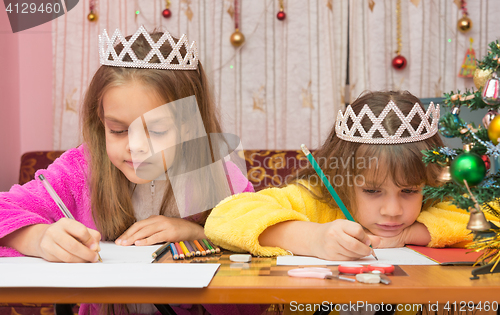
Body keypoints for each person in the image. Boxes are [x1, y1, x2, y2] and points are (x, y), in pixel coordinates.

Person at [0, 26, 267, 315]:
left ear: (189, 126)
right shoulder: (80, 170)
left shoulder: (219, 177)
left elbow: (257, 279)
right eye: (117, 130)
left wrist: (198, 235)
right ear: (100, 120)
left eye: (156, 130)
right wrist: (37, 238)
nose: (136, 147)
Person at [205, 90, 500, 261]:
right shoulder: (317, 200)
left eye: (409, 191)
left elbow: (493, 215)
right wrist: (314, 238)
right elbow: (225, 217)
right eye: (372, 191)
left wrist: (414, 234)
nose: (393, 211)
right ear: (338, 176)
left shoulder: (436, 199)